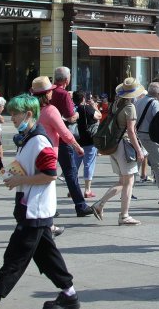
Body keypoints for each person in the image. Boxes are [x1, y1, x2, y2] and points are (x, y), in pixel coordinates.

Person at [0, 95, 80, 309]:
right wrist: (15, 175)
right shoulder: (30, 137)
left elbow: (50, 174)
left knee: (15, 257)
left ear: (29, 114)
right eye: (12, 112)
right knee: (47, 256)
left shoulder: (39, 140)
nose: (11, 117)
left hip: (35, 208)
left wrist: (20, 180)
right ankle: (69, 295)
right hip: (33, 207)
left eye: (15, 113)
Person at [35, 75, 95, 218]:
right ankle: (80, 206)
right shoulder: (50, 110)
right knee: (69, 173)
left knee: (43, 179)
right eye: (50, 90)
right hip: (54, 147)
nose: (52, 92)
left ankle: (48, 208)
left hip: (36, 148)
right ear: (47, 93)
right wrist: (77, 146)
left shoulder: (32, 109)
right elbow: (64, 132)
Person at [91, 78, 147, 225]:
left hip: (114, 145)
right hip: (125, 146)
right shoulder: (130, 107)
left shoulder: (115, 104)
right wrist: (139, 150)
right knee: (129, 182)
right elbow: (131, 131)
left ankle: (99, 204)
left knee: (123, 181)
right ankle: (124, 215)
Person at [134, 82, 159, 191]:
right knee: (158, 166)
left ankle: (128, 191)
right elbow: (158, 121)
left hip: (138, 136)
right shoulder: (155, 103)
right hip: (150, 137)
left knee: (135, 167)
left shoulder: (138, 101)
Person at [74, 91, 101, 200]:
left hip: (76, 140)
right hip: (89, 140)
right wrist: (95, 107)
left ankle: (73, 189)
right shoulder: (87, 109)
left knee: (74, 165)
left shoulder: (73, 109)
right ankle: (87, 189)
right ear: (83, 99)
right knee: (88, 164)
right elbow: (98, 116)